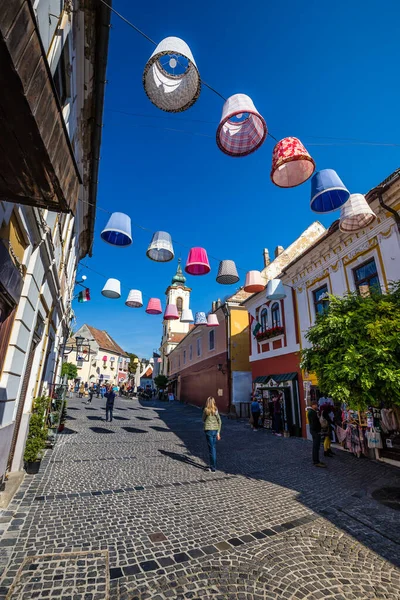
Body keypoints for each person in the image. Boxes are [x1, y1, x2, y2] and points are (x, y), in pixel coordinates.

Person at [202, 397, 221, 472]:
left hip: (208, 430)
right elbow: (219, 421)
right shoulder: (216, 410)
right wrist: (218, 432)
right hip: (215, 430)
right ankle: (213, 465)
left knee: (211, 449)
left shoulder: (206, 410)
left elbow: (203, 419)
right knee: (213, 448)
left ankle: (213, 467)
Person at [307, 401, 326, 467]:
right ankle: (316, 461)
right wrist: (318, 430)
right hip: (315, 431)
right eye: (316, 405)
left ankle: (316, 460)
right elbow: (314, 423)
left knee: (316, 446)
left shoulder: (312, 412)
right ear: (313, 405)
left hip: (314, 431)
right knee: (316, 446)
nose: (317, 406)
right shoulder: (312, 412)